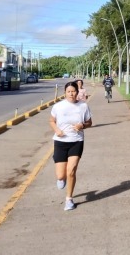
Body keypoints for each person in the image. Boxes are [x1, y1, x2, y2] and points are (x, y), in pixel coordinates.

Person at [49, 81, 93, 211]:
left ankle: (69, 199)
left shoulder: (83, 106)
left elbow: (90, 122)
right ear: (65, 93)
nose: (71, 94)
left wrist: (82, 125)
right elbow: (51, 121)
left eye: (73, 91)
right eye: (68, 91)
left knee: (72, 171)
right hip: (60, 141)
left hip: (77, 141)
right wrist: (56, 130)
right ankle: (61, 178)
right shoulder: (58, 106)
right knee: (61, 176)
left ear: (77, 92)